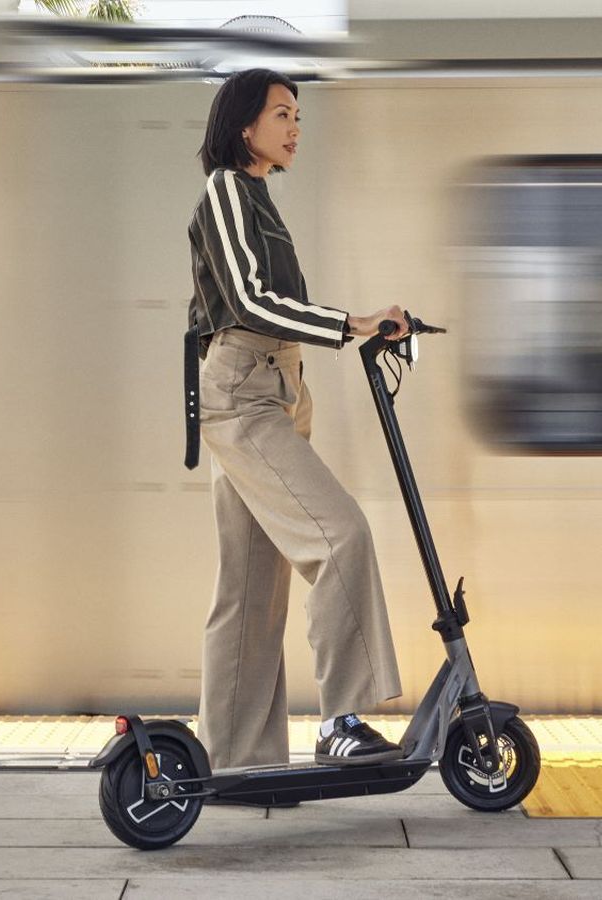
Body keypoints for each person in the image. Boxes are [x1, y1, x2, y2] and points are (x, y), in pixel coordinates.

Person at [185, 68, 409, 771]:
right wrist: (352, 323)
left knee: (251, 589)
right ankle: (341, 720)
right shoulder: (227, 189)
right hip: (244, 393)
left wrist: (362, 328)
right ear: (243, 125)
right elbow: (249, 300)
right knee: (341, 536)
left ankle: (237, 759)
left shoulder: (259, 196)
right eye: (282, 114)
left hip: (276, 390)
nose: (294, 128)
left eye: (298, 116)